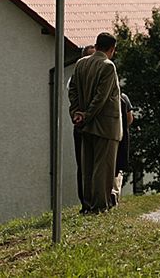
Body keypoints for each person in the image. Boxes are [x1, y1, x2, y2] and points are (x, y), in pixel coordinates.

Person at [69, 32, 123, 214]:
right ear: (111, 49)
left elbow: (73, 90)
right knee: (103, 167)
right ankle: (100, 205)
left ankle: (88, 203)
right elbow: (102, 97)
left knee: (87, 168)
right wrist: (87, 115)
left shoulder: (81, 63)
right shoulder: (108, 66)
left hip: (85, 126)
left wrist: (76, 113)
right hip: (105, 126)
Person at [71, 45, 95, 212]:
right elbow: (72, 95)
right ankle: (85, 202)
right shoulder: (77, 76)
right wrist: (78, 114)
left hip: (96, 124)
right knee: (83, 165)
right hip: (82, 125)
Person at [111, 93, 133, 206]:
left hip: (106, 136)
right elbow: (130, 118)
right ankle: (114, 193)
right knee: (118, 167)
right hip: (121, 136)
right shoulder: (123, 98)